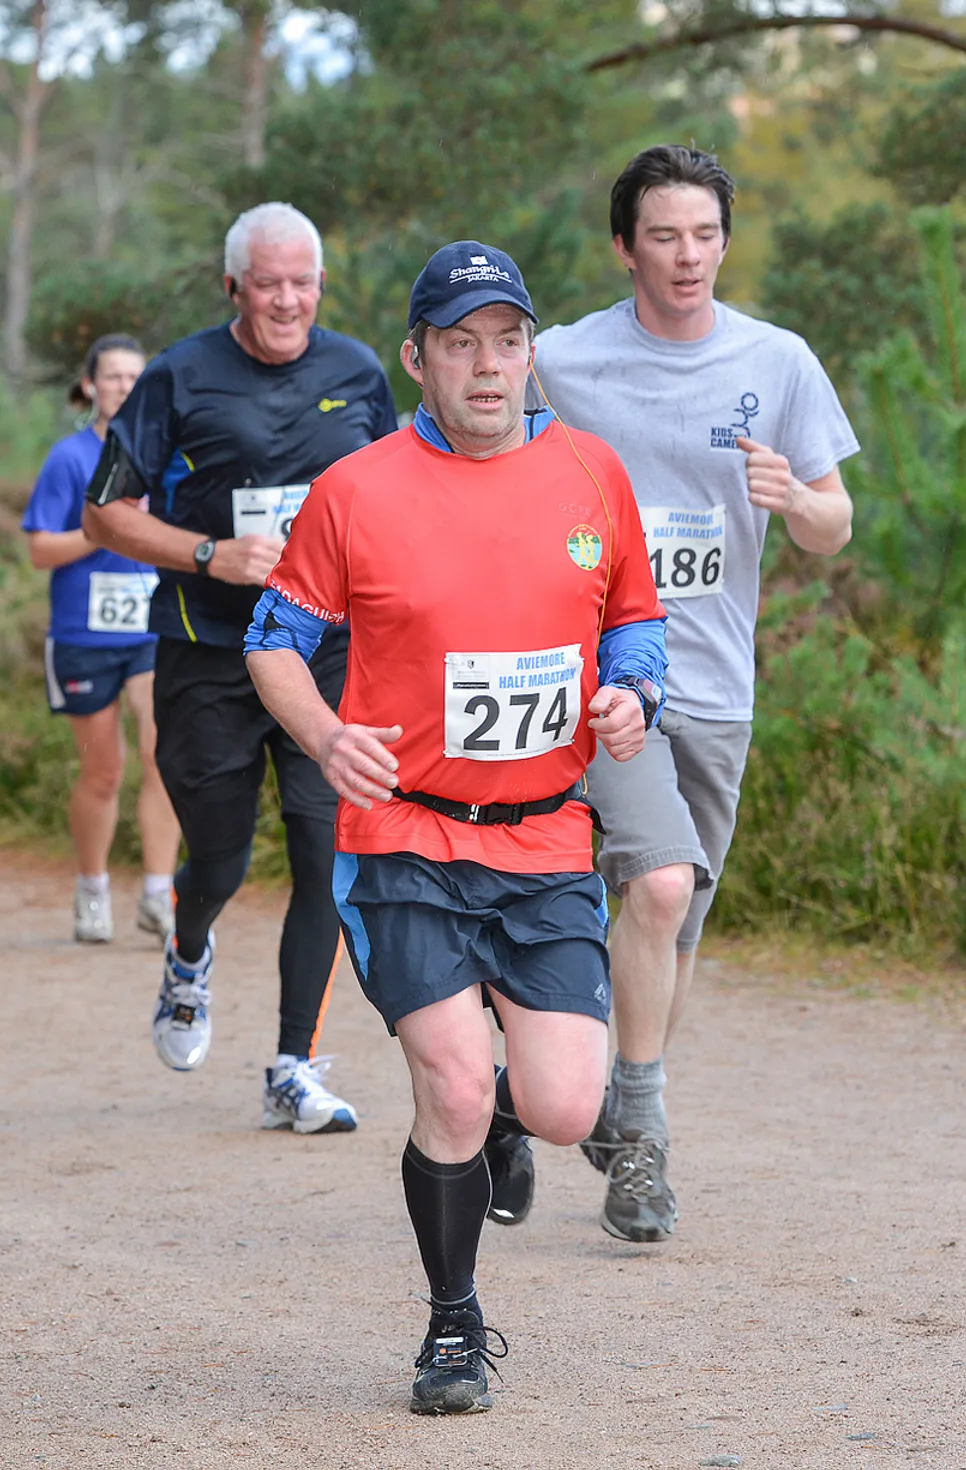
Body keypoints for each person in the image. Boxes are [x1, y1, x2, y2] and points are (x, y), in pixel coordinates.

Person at [246, 241, 666, 1413]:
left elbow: (636, 619)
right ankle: (452, 1325)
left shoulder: (592, 473)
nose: (490, 368)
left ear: (534, 351)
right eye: (461, 344)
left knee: (568, 1103)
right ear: (417, 360)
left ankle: (508, 1127)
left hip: (543, 841)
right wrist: (329, 737)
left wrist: (635, 694)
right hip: (407, 837)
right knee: (452, 1085)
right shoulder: (357, 490)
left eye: (509, 341)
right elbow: (271, 642)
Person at [531, 145, 858, 1242]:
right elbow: (460, 434)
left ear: (726, 242)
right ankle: (641, 1133)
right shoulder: (564, 359)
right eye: (664, 235)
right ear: (626, 246)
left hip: (719, 685)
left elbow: (834, 520)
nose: (687, 255)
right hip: (597, 683)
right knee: (656, 894)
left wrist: (793, 501)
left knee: (671, 929)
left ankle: (564, 1094)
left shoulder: (778, 360)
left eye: (705, 235)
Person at [82, 201, 397, 1134]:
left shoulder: (359, 372)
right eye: (270, 283)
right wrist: (212, 555)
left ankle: (294, 1066)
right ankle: (188, 955)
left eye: (304, 282)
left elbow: (394, 495)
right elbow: (106, 514)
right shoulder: (179, 376)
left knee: (323, 854)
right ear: (234, 287)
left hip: (324, 656)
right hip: (208, 651)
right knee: (217, 856)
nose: (289, 300)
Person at [21, 334, 180, 944]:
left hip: (149, 629)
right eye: (112, 377)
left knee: (162, 754)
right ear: (90, 385)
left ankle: (156, 891)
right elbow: (40, 550)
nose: (123, 387)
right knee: (104, 772)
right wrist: (107, 528)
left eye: (134, 377)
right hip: (84, 635)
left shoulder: (164, 451)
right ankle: (92, 886)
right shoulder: (68, 458)